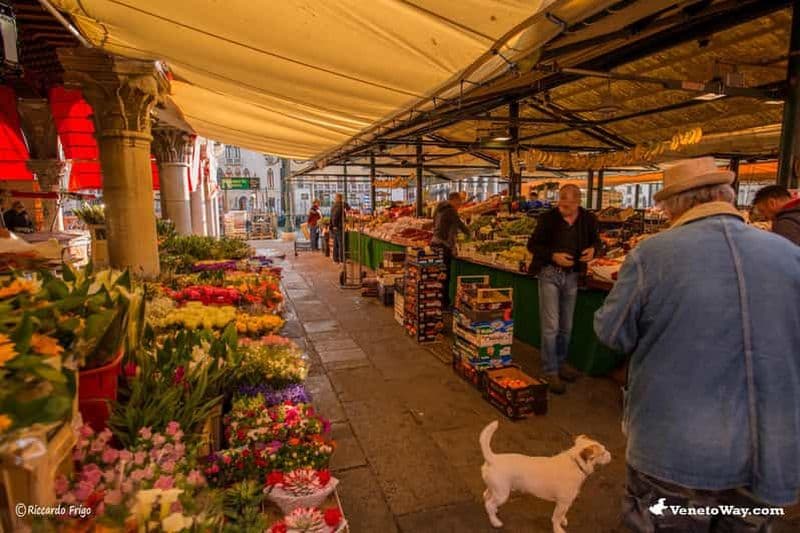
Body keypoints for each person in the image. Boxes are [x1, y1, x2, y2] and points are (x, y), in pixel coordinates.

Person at [594, 157, 800, 532]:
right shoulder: (789, 255)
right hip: (768, 446)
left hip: (677, 446)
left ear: (675, 206)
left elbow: (612, 334)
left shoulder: (652, 255)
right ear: (726, 196)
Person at [527, 184, 599, 394]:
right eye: (560, 202)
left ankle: (560, 363)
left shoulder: (588, 219)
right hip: (549, 273)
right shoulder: (547, 218)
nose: (562, 207)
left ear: (577, 202)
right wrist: (553, 256)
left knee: (566, 325)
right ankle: (550, 370)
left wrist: (594, 250)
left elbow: (596, 241)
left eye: (567, 204)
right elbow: (533, 245)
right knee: (551, 325)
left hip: (572, 276)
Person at [431, 192, 469, 308]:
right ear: (454, 200)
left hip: (435, 243)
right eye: (459, 201)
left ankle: (436, 300)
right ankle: (444, 303)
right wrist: (470, 233)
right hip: (443, 246)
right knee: (444, 275)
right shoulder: (450, 211)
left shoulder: (439, 209)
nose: (460, 204)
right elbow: (460, 225)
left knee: (438, 274)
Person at [330, 193, 344, 263]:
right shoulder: (339, 206)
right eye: (341, 198)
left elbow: (332, 216)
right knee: (340, 243)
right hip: (338, 226)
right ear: (340, 198)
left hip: (334, 227)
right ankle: (341, 259)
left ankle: (335, 258)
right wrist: (335, 225)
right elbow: (335, 216)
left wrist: (332, 225)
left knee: (336, 243)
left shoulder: (334, 206)